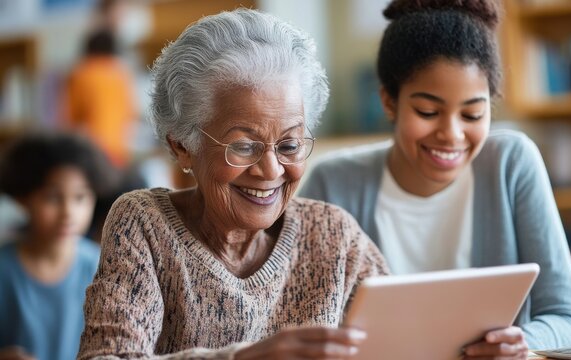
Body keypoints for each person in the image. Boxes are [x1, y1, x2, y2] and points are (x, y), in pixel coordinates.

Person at [77, 8, 388, 360]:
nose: (270, 170)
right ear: (183, 147)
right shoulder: (145, 226)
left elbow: (407, 338)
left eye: (288, 146)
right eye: (243, 146)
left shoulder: (334, 236)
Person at [299, 0, 571, 354]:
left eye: (472, 114)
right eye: (427, 111)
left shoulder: (511, 164)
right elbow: (305, 325)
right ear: (389, 102)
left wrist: (522, 343)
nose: (451, 134)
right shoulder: (334, 183)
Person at [0, 132, 114, 360]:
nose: (68, 212)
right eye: (52, 198)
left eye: (80, 197)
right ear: (23, 198)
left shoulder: (102, 267)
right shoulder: (4, 270)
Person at [62, 26, 138, 168]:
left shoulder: (80, 74)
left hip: (90, 152)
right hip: (118, 152)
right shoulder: (122, 75)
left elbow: (70, 119)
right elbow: (130, 114)